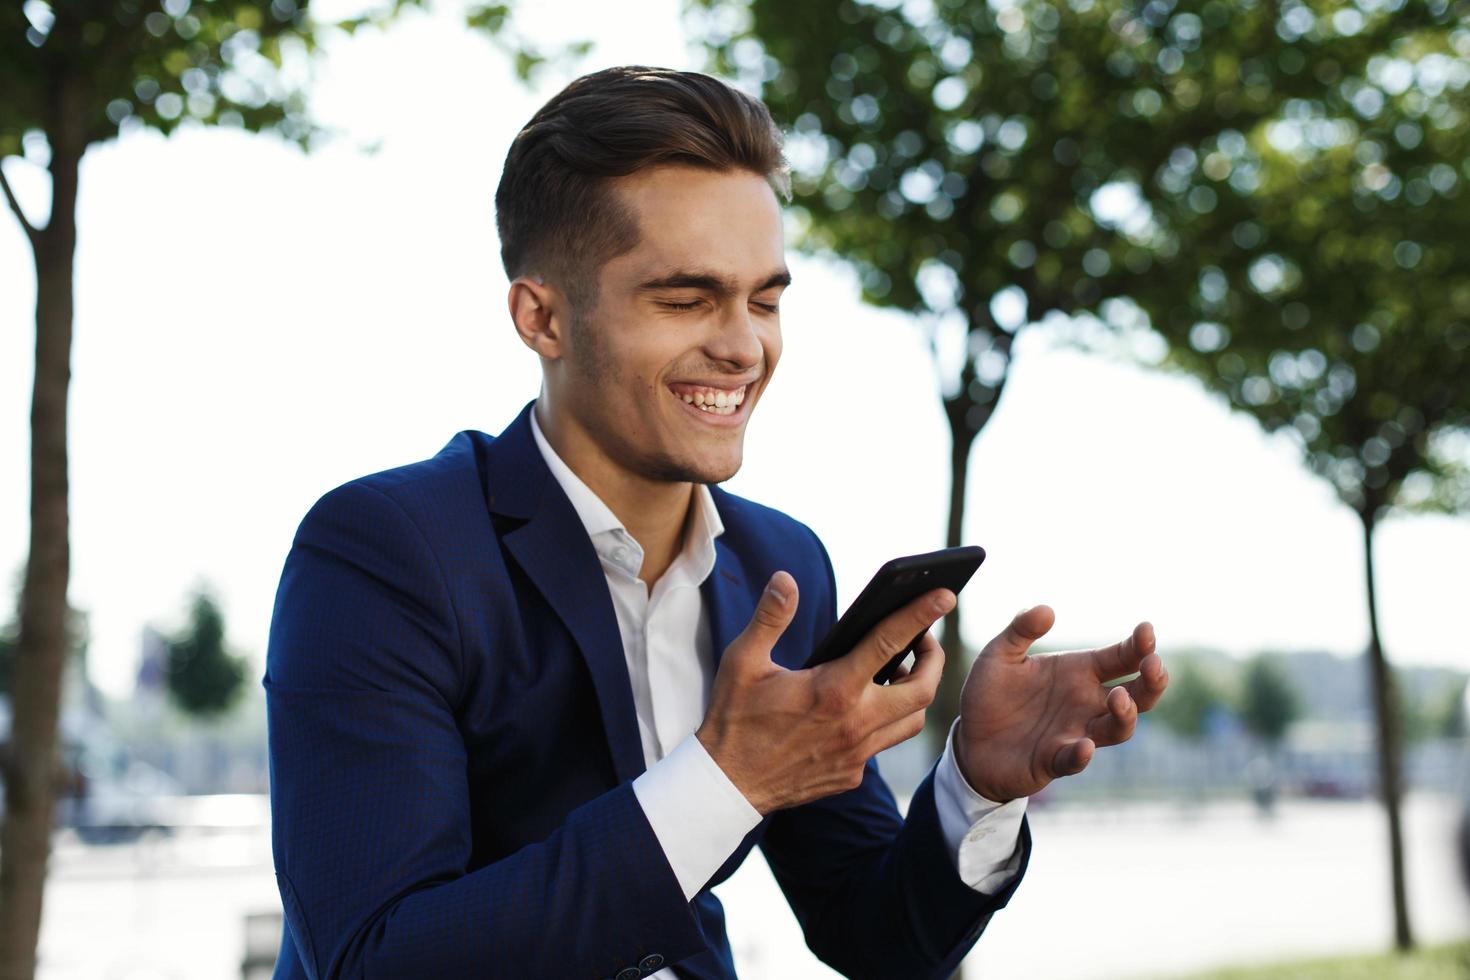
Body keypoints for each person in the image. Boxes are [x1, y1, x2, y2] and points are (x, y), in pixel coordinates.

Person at [264, 65, 1169, 980]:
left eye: (766, 299)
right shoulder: (384, 552)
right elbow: (373, 960)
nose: (743, 347)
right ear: (541, 317)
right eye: (687, 299)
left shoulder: (781, 565)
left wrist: (974, 788)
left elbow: (876, 934)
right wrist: (727, 779)